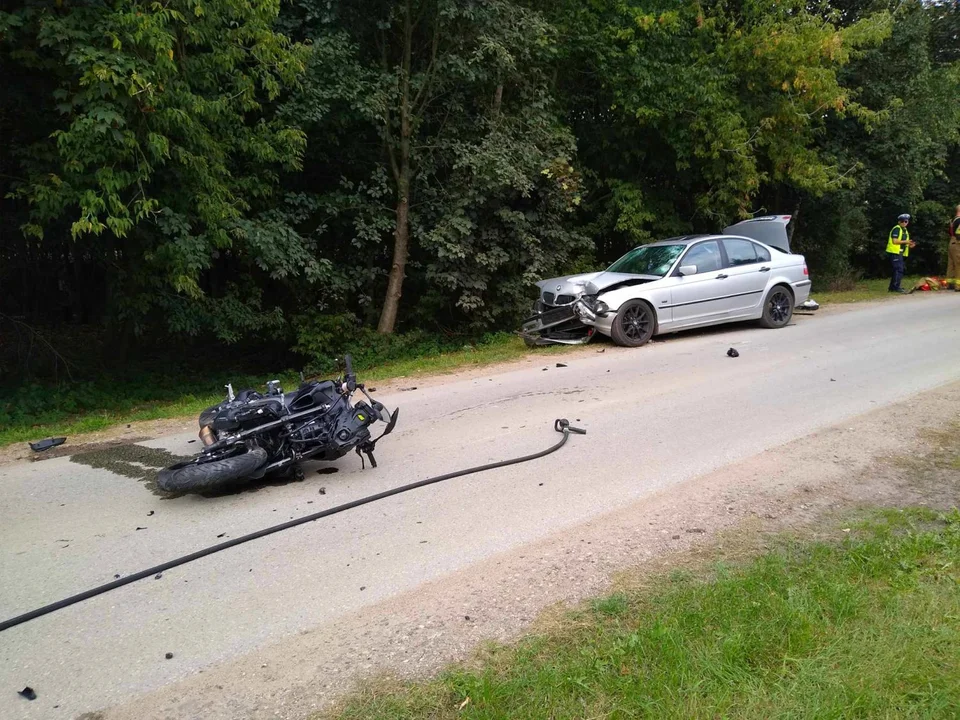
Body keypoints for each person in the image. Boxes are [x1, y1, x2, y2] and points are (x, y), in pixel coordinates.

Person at [886, 213, 914, 293]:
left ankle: (892, 287)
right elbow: (895, 241)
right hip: (894, 252)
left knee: (897, 270)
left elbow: (904, 243)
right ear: (899, 222)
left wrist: (909, 245)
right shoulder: (897, 229)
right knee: (898, 269)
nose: (904, 223)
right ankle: (895, 287)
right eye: (902, 221)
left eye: (906, 221)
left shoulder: (904, 230)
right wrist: (906, 241)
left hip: (899, 253)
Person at [947, 205, 960, 291]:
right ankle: (958, 286)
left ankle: (950, 283)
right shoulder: (959, 220)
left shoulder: (954, 219)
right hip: (957, 243)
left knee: (951, 264)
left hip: (952, 242)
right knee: (959, 264)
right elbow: (959, 233)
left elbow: (950, 231)